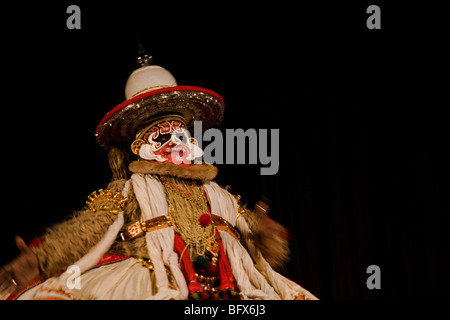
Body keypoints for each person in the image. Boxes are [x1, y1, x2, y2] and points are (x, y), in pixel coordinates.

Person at [0, 56, 317, 300]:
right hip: (155, 279)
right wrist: (41, 258)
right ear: (140, 147)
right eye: (162, 135)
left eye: (180, 133)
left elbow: (245, 229)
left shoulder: (217, 194)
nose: (175, 141)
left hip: (228, 284)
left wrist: (264, 233)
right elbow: (90, 228)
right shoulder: (130, 190)